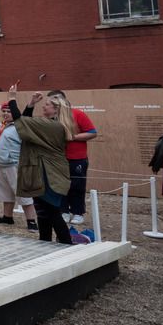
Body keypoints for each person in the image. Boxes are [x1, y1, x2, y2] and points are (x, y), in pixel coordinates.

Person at [6, 85, 72, 244]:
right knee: (43, 212)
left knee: (52, 211)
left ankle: (66, 245)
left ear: (56, 109)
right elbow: (26, 125)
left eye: (48, 104)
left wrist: (12, 98)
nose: (44, 105)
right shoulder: (53, 124)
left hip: (49, 175)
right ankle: (45, 242)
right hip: (45, 172)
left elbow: (21, 122)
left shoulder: (52, 125)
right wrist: (31, 104)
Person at [46, 90, 98, 226]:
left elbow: (92, 133)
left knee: (77, 186)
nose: (50, 105)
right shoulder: (51, 117)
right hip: (58, 158)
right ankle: (63, 211)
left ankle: (78, 212)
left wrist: (73, 137)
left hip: (77, 158)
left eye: (54, 101)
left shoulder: (78, 114)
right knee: (60, 185)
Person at [0, 106, 38, 230]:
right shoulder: (0, 125)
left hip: (14, 163)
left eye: (8, 111)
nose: (5, 114)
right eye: (4, 111)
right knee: (5, 192)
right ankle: (7, 217)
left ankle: (31, 221)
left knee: (22, 193)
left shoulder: (19, 126)